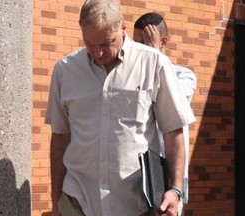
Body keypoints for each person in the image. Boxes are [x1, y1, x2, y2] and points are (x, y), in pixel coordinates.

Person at [45, 0, 196, 215]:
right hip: (78, 199)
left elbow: (173, 131)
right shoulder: (65, 70)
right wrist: (56, 200)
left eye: (106, 43)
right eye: (90, 44)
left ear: (123, 28)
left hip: (137, 203)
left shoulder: (154, 63)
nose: (97, 52)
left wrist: (175, 189)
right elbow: (60, 136)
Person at [133, 12, 197, 216]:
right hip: (138, 174)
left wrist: (155, 56)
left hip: (170, 174)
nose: (139, 50)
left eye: (144, 43)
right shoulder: (131, 76)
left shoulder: (183, 75)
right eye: (135, 44)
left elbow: (174, 96)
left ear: (164, 41)